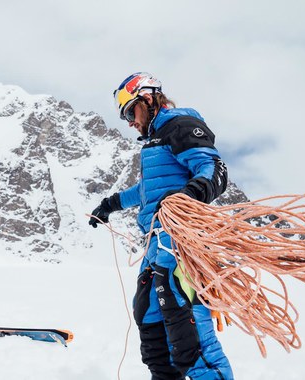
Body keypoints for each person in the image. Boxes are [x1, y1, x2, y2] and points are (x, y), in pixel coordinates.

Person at [89, 72, 233, 380]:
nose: (129, 121)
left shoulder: (179, 126)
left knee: (190, 339)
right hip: (156, 244)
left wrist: (189, 194)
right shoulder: (155, 141)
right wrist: (109, 205)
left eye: (130, 111)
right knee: (150, 320)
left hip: (183, 241)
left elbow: (213, 168)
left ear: (149, 98)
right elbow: (145, 191)